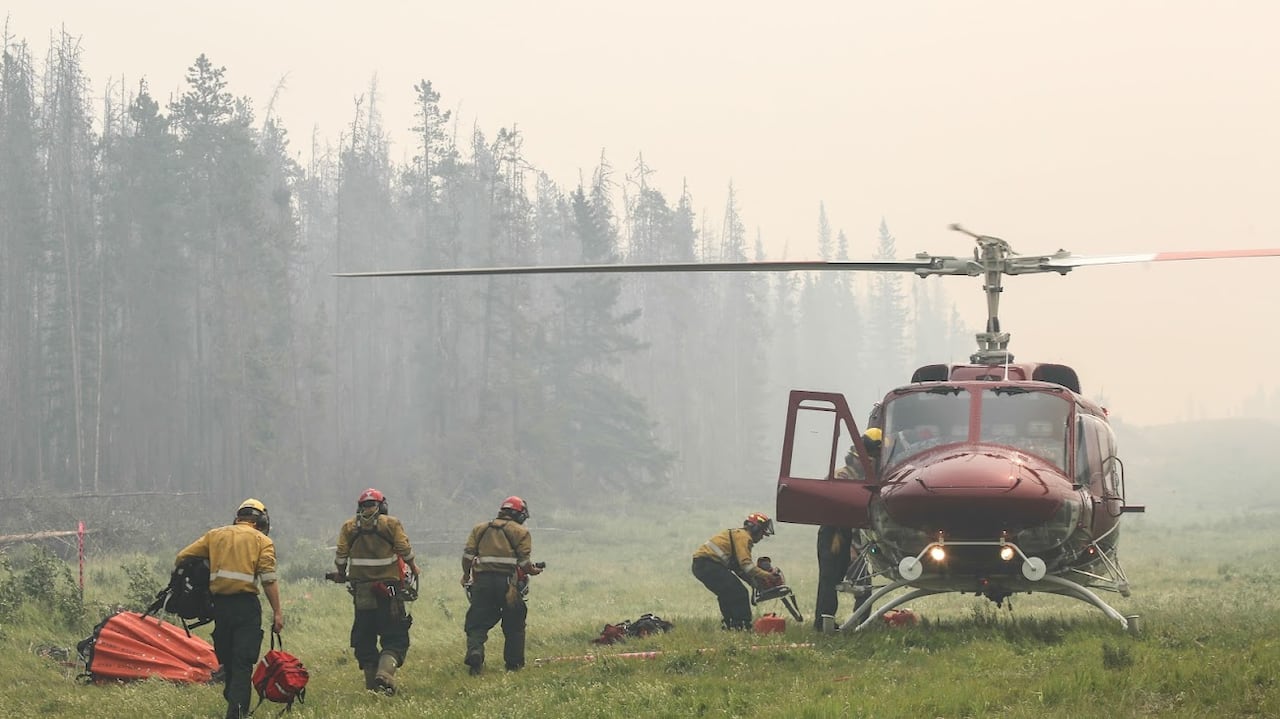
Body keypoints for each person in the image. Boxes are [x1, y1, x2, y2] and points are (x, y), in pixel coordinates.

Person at [176, 499, 283, 719]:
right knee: (243, 663)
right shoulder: (262, 541)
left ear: (238, 517)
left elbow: (182, 557)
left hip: (221, 609)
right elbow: (269, 581)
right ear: (261, 520)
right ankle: (237, 713)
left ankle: (235, 709)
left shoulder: (215, 536)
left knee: (229, 662)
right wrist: (278, 613)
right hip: (246, 608)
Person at [333, 488, 421, 694]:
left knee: (364, 636)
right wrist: (414, 567)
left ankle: (373, 685)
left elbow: (340, 557)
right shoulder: (391, 524)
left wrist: (340, 573)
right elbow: (404, 549)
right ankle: (385, 674)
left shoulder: (349, 527)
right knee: (396, 636)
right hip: (389, 591)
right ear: (383, 506)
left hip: (362, 591)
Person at [461, 496, 542, 675]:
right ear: (519, 514)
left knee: (477, 623)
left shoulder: (480, 529)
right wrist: (533, 570)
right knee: (514, 624)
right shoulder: (521, 532)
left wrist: (466, 575)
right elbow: (523, 563)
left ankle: (475, 653)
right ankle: (513, 666)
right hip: (509, 586)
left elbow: (467, 557)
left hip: (482, 583)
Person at [815, 428, 883, 630]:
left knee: (864, 583)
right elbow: (839, 513)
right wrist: (852, 548)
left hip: (850, 535)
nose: (871, 465)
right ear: (857, 458)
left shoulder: (860, 479)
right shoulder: (843, 477)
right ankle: (823, 623)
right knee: (830, 580)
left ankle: (861, 623)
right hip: (835, 534)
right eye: (870, 460)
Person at [691, 512, 780, 630]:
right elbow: (746, 565)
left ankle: (730, 626)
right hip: (708, 565)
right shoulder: (744, 537)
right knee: (739, 593)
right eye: (762, 533)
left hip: (702, 565)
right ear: (755, 529)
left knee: (726, 594)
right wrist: (767, 576)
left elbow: (739, 568)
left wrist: (753, 583)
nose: (762, 537)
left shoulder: (738, 535)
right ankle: (742, 626)